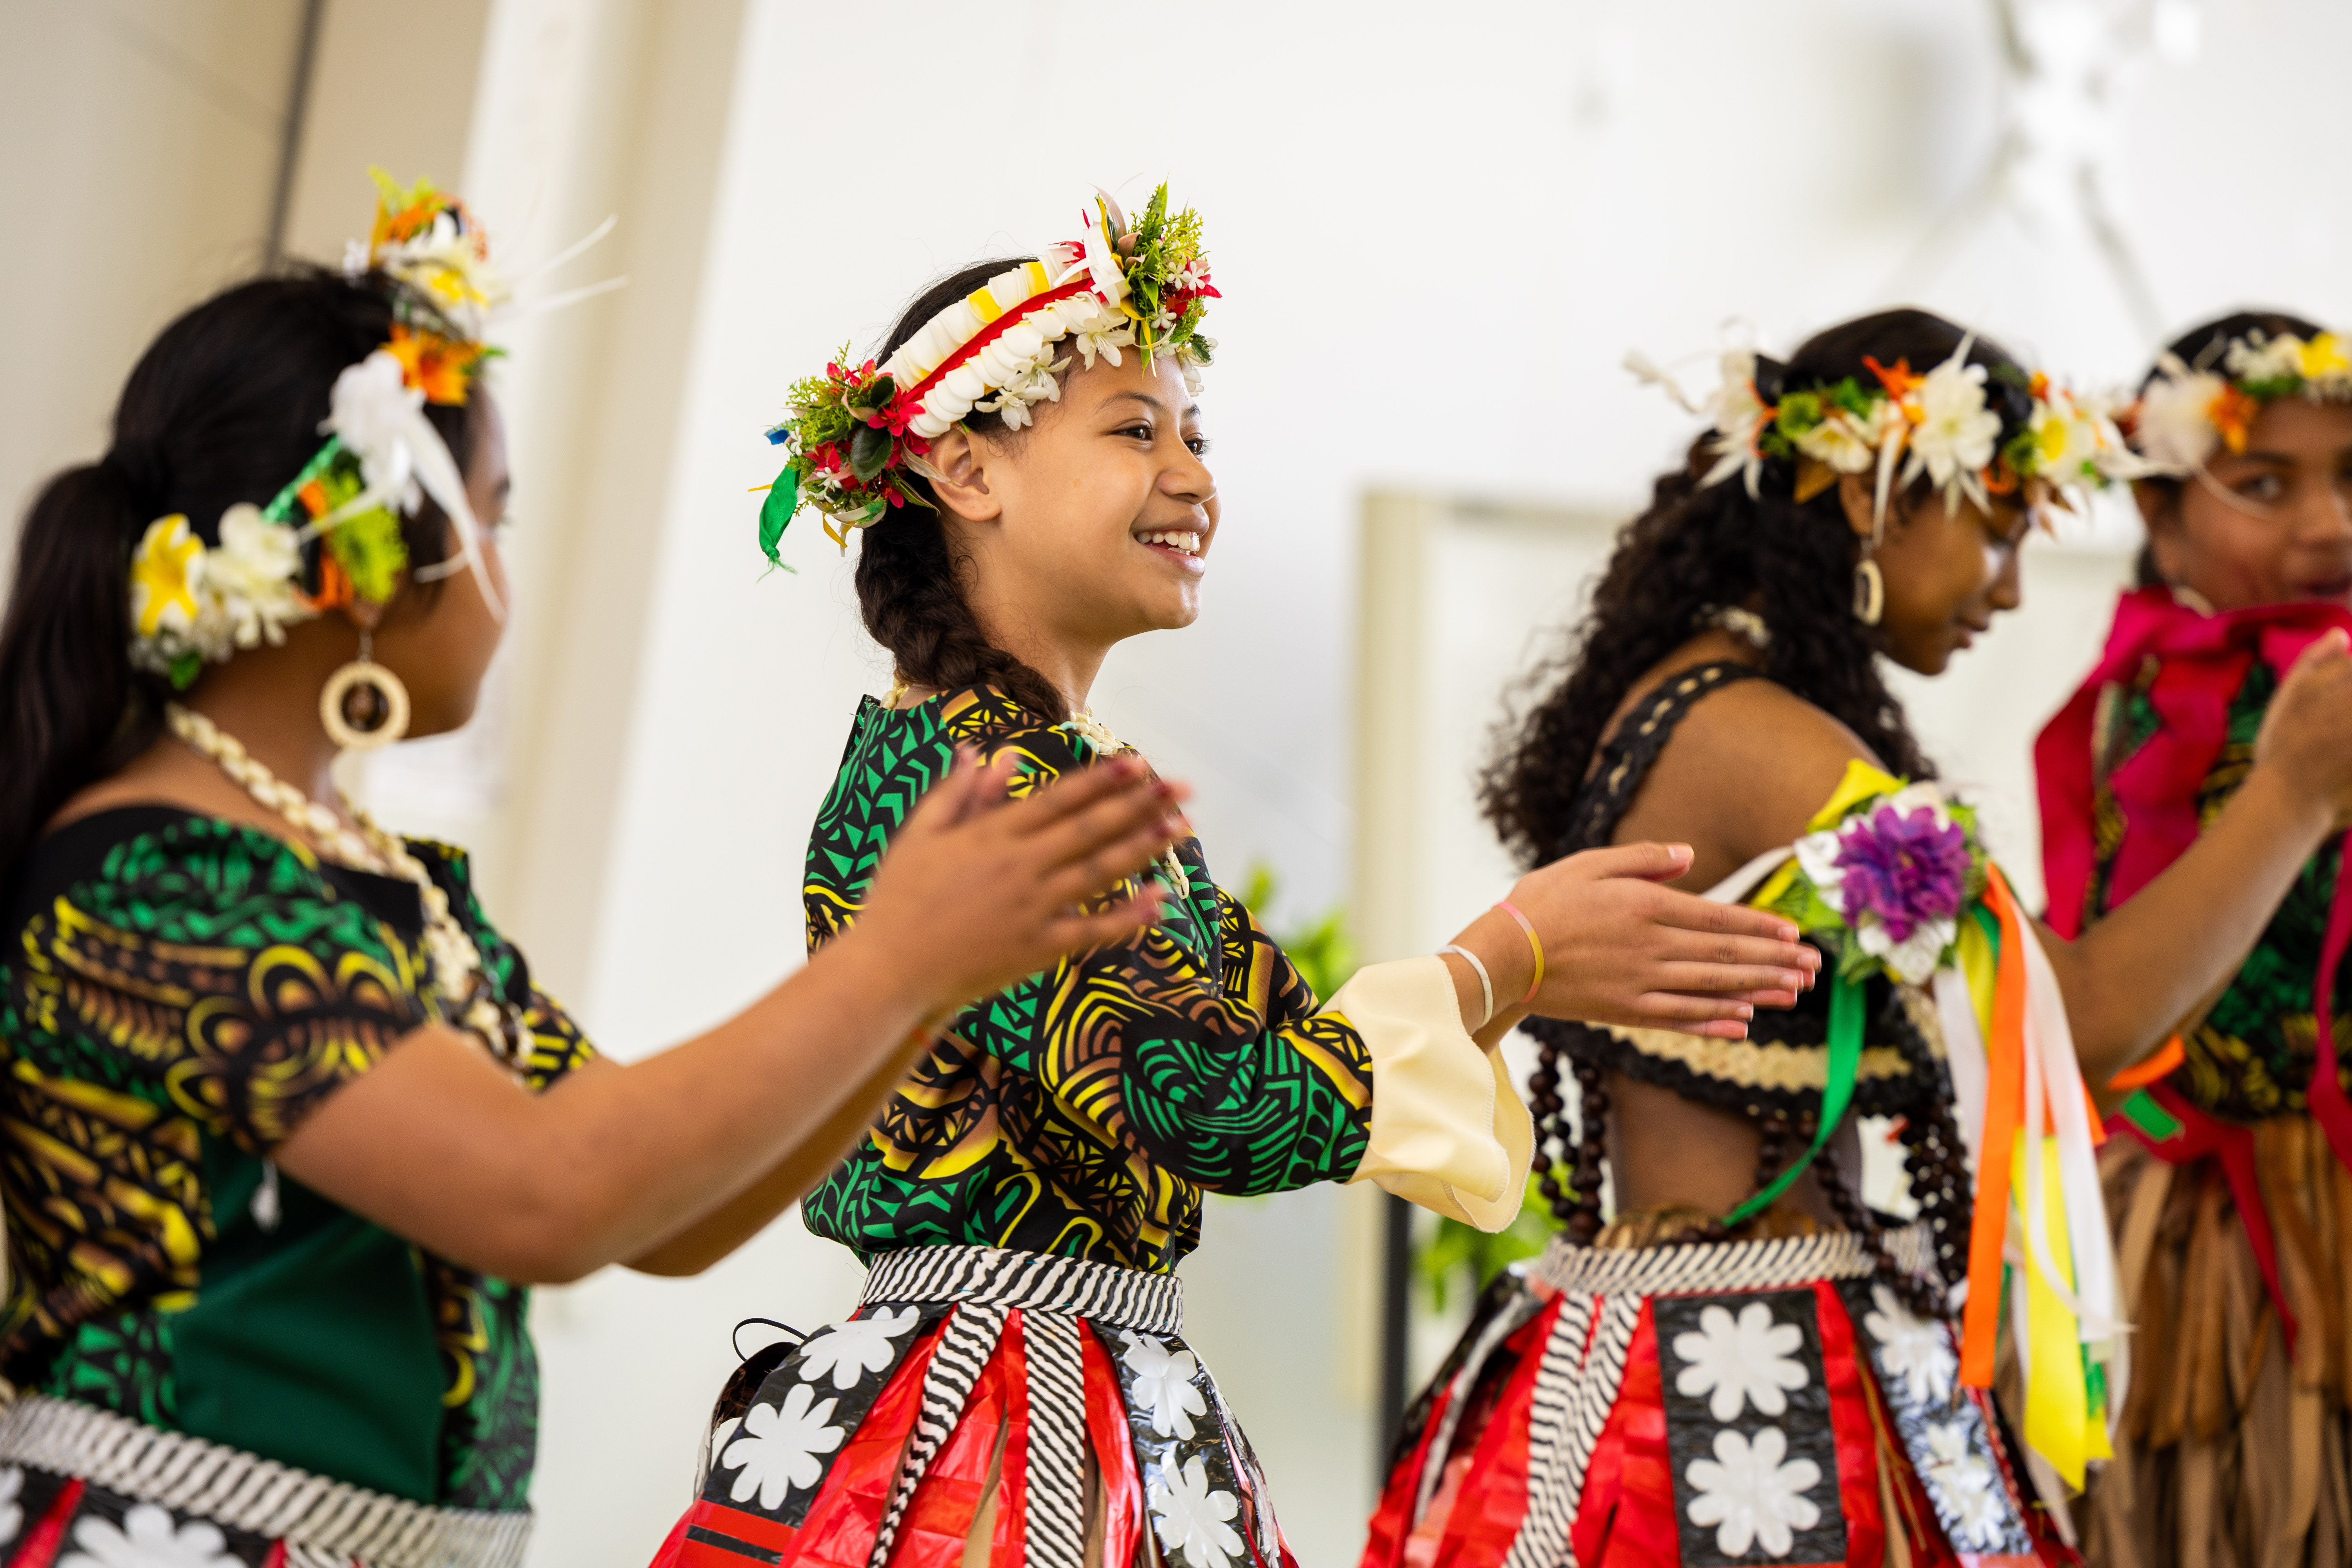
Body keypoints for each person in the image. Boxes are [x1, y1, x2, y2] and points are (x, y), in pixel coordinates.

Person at [0, 175, 1191, 1568]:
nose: (505, 564)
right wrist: (901, 960)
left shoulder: (395, 886)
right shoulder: (157, 876)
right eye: (493, 519)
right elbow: (547, 1198)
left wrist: (930, 992)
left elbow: (660, 1212)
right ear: (368, 559)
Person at [654, 187, 1822, 1568]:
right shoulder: (997, 789)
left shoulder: (1033, 768)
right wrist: (1508, 955)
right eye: (1135, 430)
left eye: (1196, 434)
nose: (1196, 475)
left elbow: (1269, 1044)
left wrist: (1521, 964)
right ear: (966, 475)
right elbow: (1221, 1108)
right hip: (1005, 1420)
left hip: (1061, 1383)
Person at [1358, 309, 2352, 1568]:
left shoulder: (1707, 698)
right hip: (1738, 1370)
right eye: (1996, 528)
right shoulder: (1757, 737)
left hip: (1687, 1327)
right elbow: (2083, 1022)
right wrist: (2296, 791)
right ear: (1878, 499)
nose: (2009, 586)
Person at [2045, 311, 2352, 1566]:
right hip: (2220, 1218)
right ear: (2162, 516)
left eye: (2350, 479)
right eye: (2267, 485)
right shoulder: (2175, 696)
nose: (2328, 523)